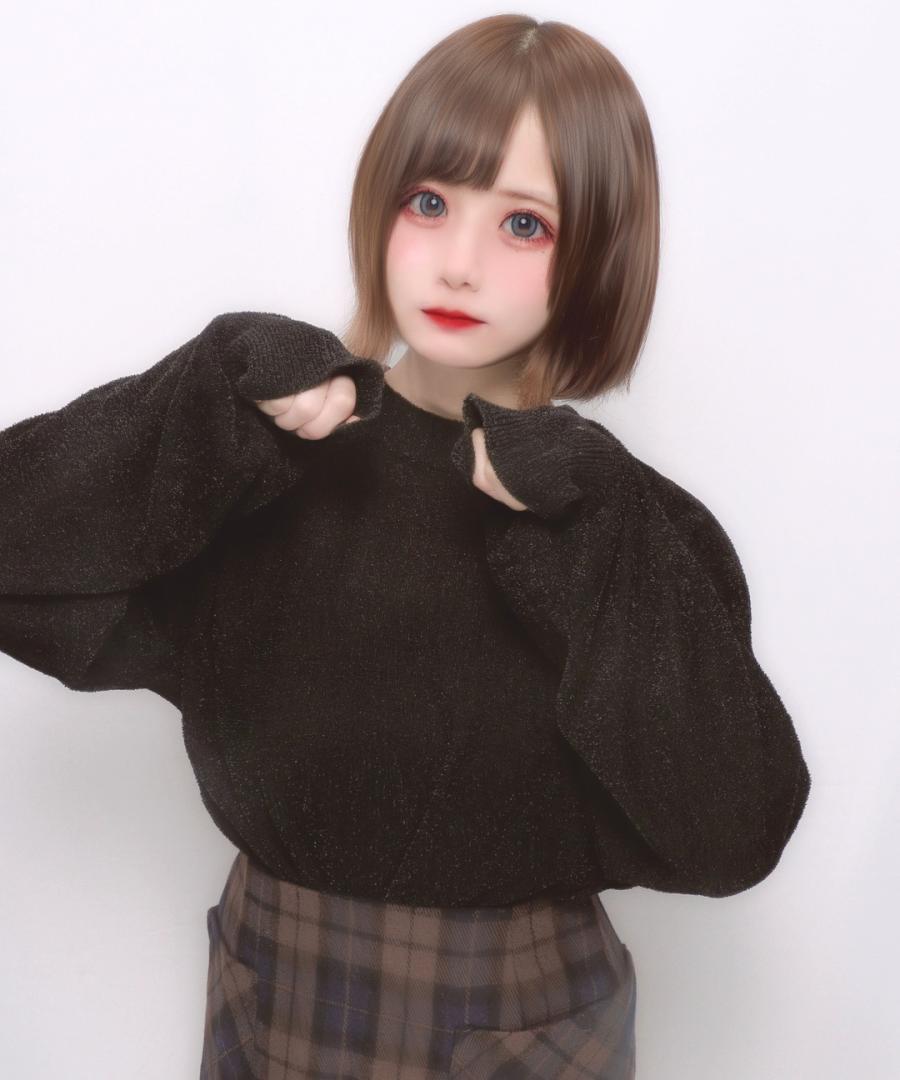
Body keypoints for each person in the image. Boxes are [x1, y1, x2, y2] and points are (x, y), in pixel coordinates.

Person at [0, 14, 811, 1079]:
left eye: (524, 224)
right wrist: (199, 403)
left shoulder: (631, 524)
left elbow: (736, 833)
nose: (460, 264)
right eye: (429, 203)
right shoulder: (271, 466)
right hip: (274, 990)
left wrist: (595, 526)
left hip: (527, 1017)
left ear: (599, 252)